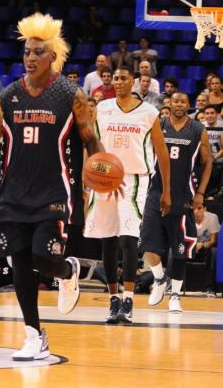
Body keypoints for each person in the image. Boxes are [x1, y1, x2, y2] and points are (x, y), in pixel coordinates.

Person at [0, 13, 103, 361]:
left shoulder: (70, 94)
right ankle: (33, 334)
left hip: (54, 193)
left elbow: (89, 140)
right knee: (19, 264)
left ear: (52, 57)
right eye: (27, 51)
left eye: (38, 52)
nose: (30, 57)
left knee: (44, 259)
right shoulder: (9, 95)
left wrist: (100, 175)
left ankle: (69, 270)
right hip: (14, 195)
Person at [84, 66, 171, 324]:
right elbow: (90, 144)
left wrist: (166, 190)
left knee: (128, 239)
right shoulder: (101, 108)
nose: (119, 82)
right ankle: (114, 299)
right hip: (103, 178)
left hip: (134, 179)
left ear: (132, 81)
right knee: (108, 241)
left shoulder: (149, 112)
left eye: (124, 78)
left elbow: (162, 153)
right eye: (116, 78)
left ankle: (129, 299)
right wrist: (85, 180)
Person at [140, 92, 213, 313]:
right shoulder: (158, 124)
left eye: (183, 101)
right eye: (176, 101)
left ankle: (175, 296)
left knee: (180, 251)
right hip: (156, 191)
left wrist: (200, 193)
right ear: (169, 103)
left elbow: (208, 161)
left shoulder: (198, 129)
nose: (179, 104)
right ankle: (160, 279)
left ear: (189, 104)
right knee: (148, 244)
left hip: (184, 195)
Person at [192, 204, 221, 293]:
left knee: (214, 251)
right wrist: (193, 246)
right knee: (172, 251)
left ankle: (209, 288)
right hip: (189, 248)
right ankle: (169, 286)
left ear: (205, 209)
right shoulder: (186, 217)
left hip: (205, 249)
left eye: (199, 208)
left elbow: (213, 241)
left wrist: (202, 244)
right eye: (193, 208)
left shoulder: (212, 217)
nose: (196, 211)